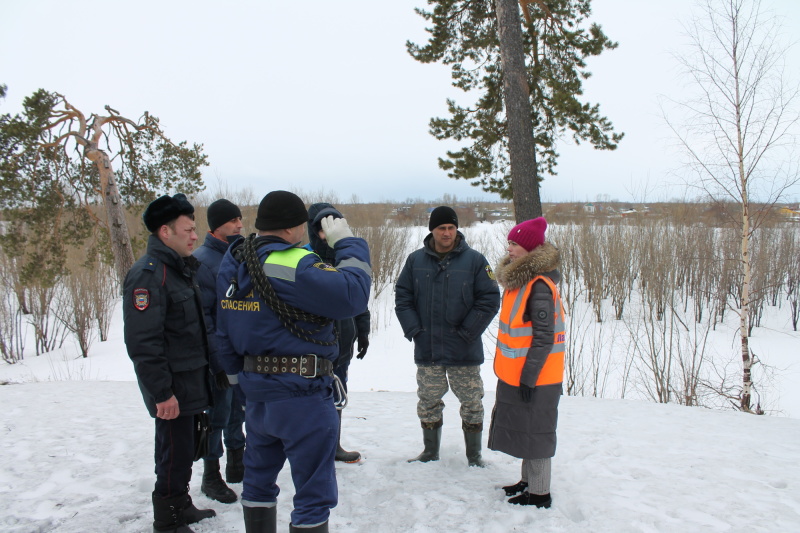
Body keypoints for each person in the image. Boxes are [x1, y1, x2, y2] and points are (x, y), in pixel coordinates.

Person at [215, 191, 371, 533]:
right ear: (292, 228)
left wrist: (241, 385)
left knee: (258, 482)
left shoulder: (237, 261)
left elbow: (223, 330)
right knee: (313, 494)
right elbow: (352, 294)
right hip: (302, 396)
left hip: (258, 397)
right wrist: (347, 242)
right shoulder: (291, 262)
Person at [122, 193, 216, 533]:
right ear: (165, 232)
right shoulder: (149, 276)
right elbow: (143, 343)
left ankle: (180, 503)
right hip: (171, 388)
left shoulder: (179, 269)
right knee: (172, 452)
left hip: (190, 382)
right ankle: (168, 519)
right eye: (188, 230)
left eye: (195, 229)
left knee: (186, 447)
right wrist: (162, 393)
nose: (195, 236)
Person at [395, 206, 500, 467]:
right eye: (441, 228)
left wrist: (468, 331)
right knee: (428, 401)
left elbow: (489, 299)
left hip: (464, 348)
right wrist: (415, 330)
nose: (447, 233)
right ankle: (430, 452)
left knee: (472, 403)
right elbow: (403, 297)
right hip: (428, 348)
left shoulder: (475, 261)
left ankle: (474, 456)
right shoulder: (415, 261)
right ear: (432, 229)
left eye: (451, 228)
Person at [487, 217, 565, 509]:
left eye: (515, 244)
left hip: (538, 377)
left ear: (531, 250)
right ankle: (527, 482)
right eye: (509, 242)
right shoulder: (520, 282)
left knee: (537, 434)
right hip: (521, 374)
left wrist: (530, 377)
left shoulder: (539, 286)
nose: (509, 249)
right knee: (526, 430)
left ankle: (540, 493)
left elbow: (544, 338)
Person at [306, 202, 371, 463]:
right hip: (313, 350)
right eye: (322, 228)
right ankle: (313, 451)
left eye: (334, 225)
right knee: (313, 403)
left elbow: (359, 300)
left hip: (342, 346)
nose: (327, 234)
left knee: (337, 397)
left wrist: (363, 332)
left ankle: (334, 446)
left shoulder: (345, 258)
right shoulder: (306, 259)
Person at [193, 199, 246, 503]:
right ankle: (210, 475)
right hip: (218, 357)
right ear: (216, 226)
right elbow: (206, 319)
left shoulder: (238, 257)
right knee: (217, 414)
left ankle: (237, 465)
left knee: (238, 409)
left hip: (240, 353)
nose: (240, 225)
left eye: (240, 219)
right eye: (233, 221)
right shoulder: (203, 262)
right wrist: (219, 362)